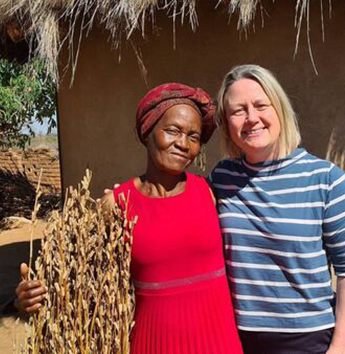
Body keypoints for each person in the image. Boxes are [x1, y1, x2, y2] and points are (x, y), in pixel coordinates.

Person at [15, 83, 243, 354]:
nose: (183, 143)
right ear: (147, 133)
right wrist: (29, 297)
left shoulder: (209, 192)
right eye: (172, 130)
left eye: (193, 137)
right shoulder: (116, 203)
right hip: (153, 344)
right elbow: (76, 283)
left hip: (219, 342)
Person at [208, 64, 345, 354]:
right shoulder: (221, 178)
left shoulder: (327, 180)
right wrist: (123, 199)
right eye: (238, 110)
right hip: (234, 338)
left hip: (306, 340)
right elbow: (179, 208)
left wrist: (339, 346)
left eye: (260, 105)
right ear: (226, 123)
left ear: (280, 109)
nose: (251, 118)